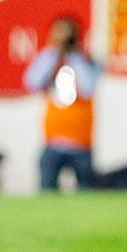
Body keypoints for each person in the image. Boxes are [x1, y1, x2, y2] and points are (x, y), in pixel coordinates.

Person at [23, 16, 101, 190]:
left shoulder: (86, 61)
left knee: (87, 192)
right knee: (47, 191)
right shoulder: (49, 58)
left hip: (81, 143)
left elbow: (88, 87)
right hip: (53, 141)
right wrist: (54, 54)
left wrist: (74, 55)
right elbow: (31, 82)